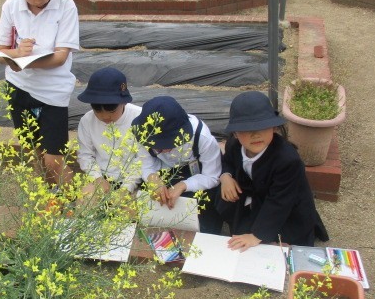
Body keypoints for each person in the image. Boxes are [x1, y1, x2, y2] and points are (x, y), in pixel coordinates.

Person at [0, 0, 80, 187]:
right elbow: (1, 53)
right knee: (34, 152)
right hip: (18, 86)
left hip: (53, 91)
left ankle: (74, 201)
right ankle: (50, 196)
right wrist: (16, 54)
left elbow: (60, 57)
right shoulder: (10, 6)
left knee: (54, 159)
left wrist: (25, 61)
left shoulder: (66, 6)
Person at [217, 91, 328, 252]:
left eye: (263, 127)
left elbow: (280, 201)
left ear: (274, 128)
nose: (256, 135)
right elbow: (227, 161)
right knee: (238, 231)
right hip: (256, 197)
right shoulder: (233, 145)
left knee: (273, 245)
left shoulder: (287, 160)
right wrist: (225, 177)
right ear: (235, 133)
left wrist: (256, 235)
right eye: (246, 129)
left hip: (286, 205)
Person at [131, 96, 223, 234]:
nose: (165, 151)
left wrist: (183, 185)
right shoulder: (143, 135)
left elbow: (212, 176)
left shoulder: (201, 137)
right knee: (157, 207)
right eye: (158, 147)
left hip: (197, 173)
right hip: (165, 170)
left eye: (170, 144)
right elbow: (146, 164)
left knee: (204, 210)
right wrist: (152, 178)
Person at [76, 67, 143, 200]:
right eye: (98, 111)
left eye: (112, 112)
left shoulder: (139, 117)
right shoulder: (87, 120)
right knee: (85, 199)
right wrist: (97, 178)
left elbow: (143, 159)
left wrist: (126, 188)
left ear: (124, 102)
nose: (105, 117)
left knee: (129, 208)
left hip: (135, 180)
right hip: (103, 178)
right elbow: (85, 155)